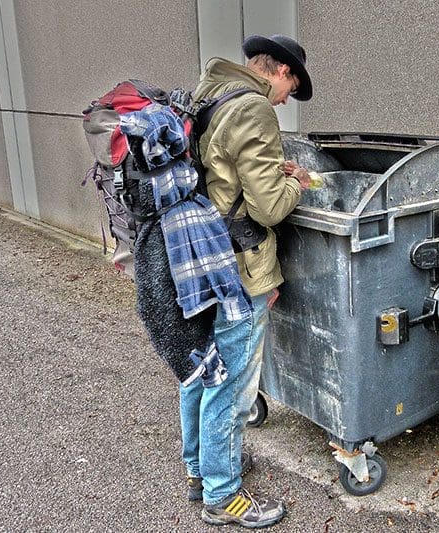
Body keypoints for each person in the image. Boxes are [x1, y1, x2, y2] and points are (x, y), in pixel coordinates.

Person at [181, 34, 313, 528]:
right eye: (290, 87)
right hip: (237, 266)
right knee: (231, 379)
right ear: (278, 70)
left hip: (197, 260)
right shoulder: (254, 108)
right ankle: (223, 494)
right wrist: (294, 184)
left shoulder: (209, 93)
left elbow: (223, 174)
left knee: (200, 370)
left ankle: (200, 470)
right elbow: (269, 206)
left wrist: (270, 171)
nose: (285, 100)